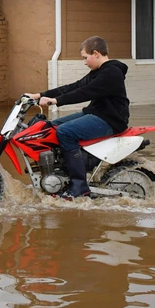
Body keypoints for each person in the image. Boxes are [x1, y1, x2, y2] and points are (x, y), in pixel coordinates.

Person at [27, 36, 129, 199]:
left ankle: (79, 185)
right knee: (49, 127)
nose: (85, 62)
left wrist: (55, 101)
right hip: (96, 114)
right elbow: (74, 87)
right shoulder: (98, 72)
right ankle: (60, 172)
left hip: (110, 120)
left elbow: (85, 92)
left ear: (96, 53)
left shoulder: (111, 72)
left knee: (65, 132)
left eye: (85, 58)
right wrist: (39, 95)